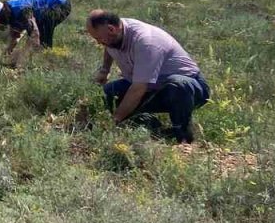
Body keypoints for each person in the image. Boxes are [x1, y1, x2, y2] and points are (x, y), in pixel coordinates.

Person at [85, 9, 209, 144]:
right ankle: (149, 124)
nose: (99, 42)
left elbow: (138, 88)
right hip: (149, 87)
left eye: (98, 38)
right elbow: (108, 47)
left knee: (177, 85)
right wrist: (105, 69)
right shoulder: (115, 33)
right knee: (106, 94)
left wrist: (114, 121)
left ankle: (183, 137)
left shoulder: (146, 42)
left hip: (190, 89)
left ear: (111, 29)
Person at [0, 0, 72, 58]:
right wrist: (7, 52)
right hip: (47, 7)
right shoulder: (10, 12)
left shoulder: (22, 10)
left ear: (3, 13)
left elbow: (35, 34)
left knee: (42, 31)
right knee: (36, 31)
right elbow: (16, 35)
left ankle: (47, 59)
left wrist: (22, 55)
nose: (0, 24)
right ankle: (42, 58)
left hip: (60, 3)